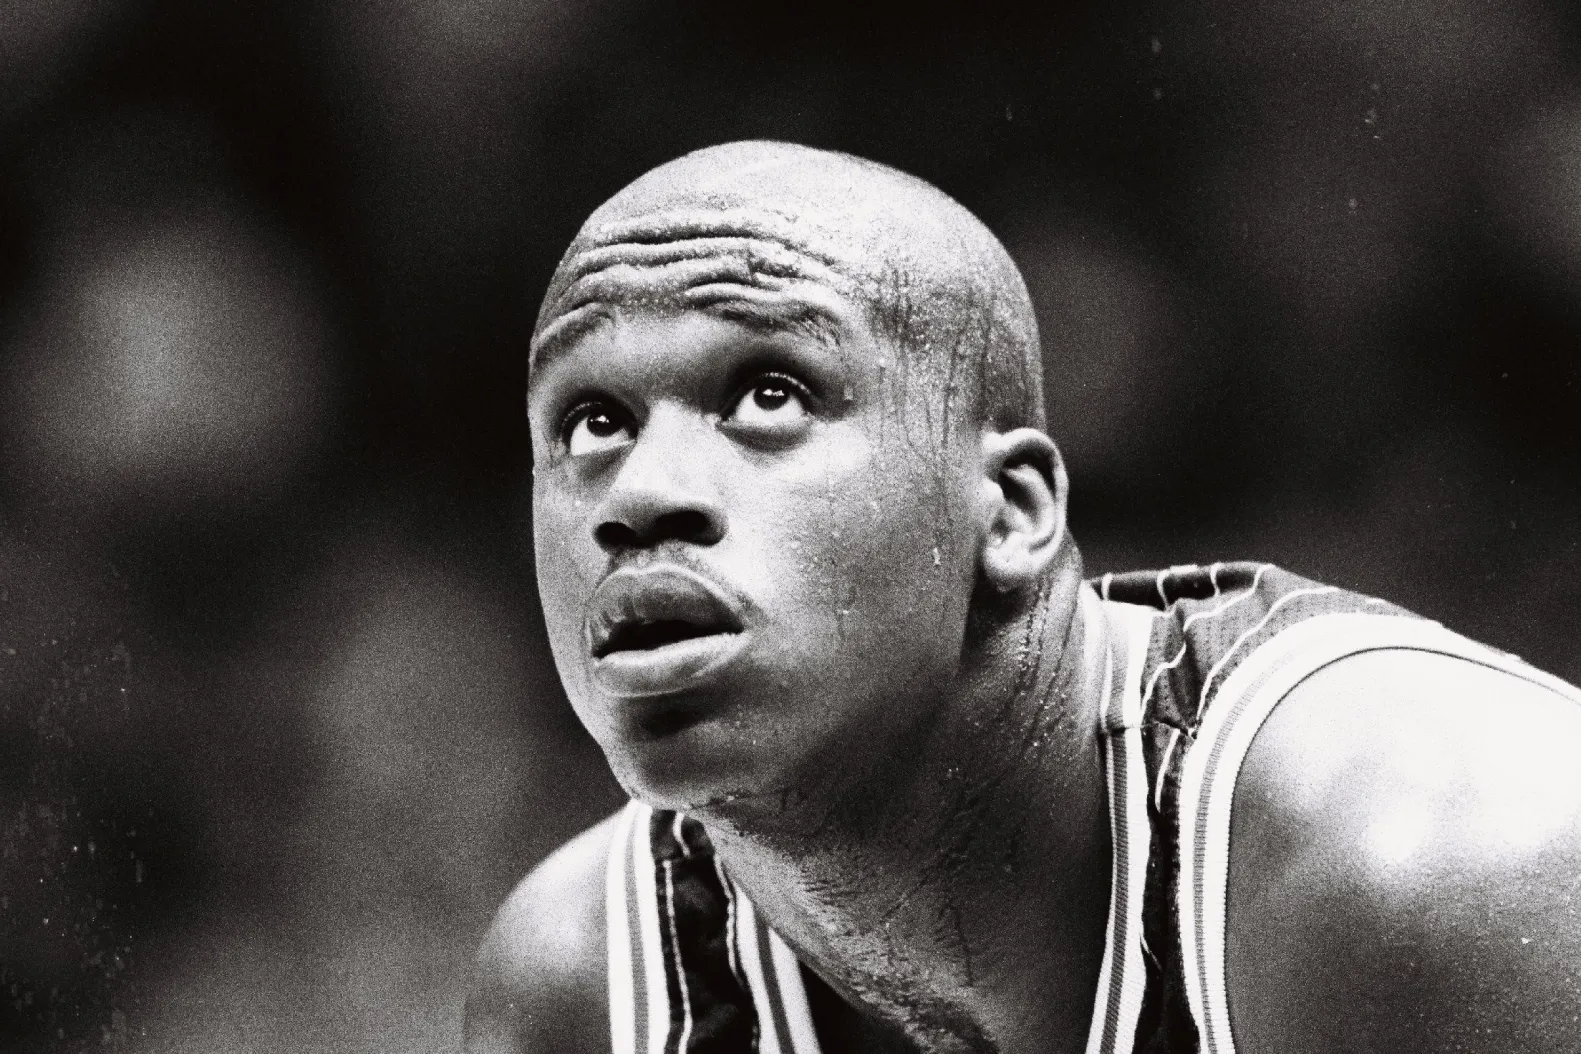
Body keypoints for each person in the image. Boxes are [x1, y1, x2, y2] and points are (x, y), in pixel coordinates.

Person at [464, 141, 1581, 1054]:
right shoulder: (587, 982)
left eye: (769, 394)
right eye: (593, 423)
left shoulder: (1430, 872)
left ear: (1010, 511)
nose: (640, 495)